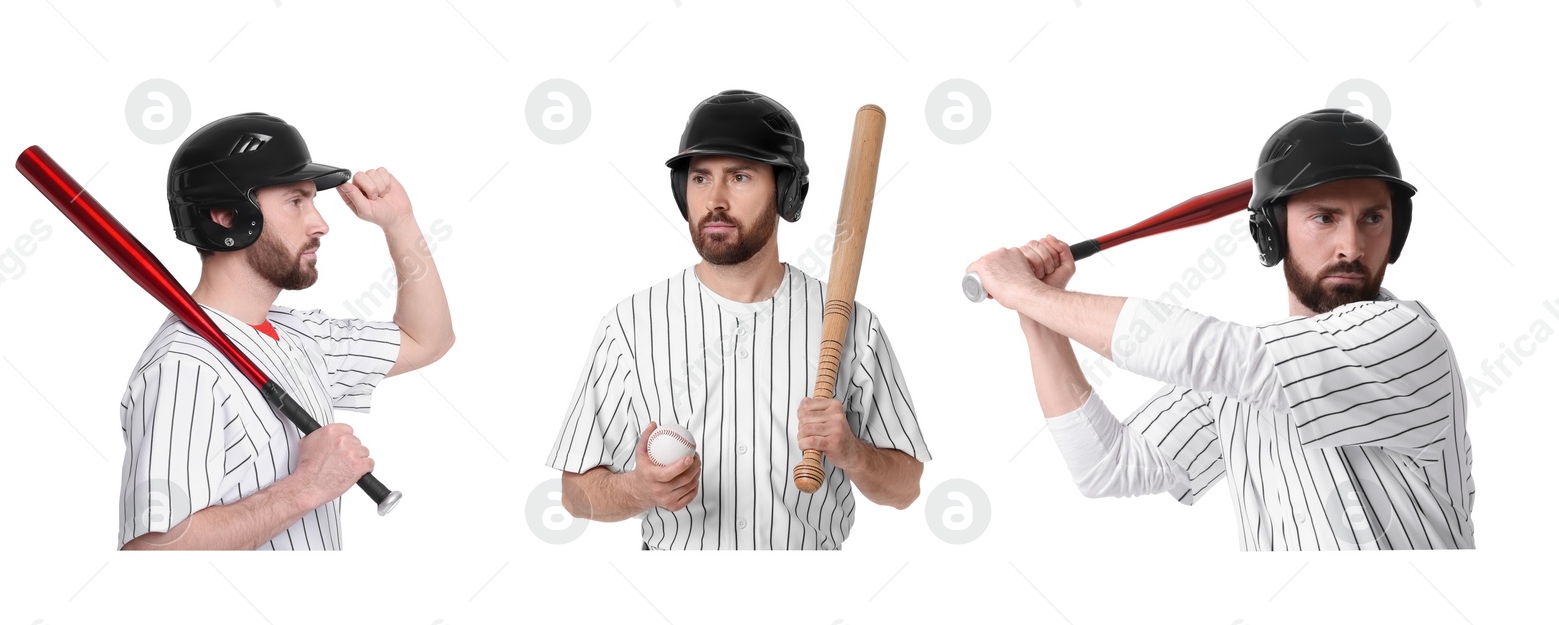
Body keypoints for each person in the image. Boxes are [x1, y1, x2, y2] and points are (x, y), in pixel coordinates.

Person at [967, 109, 1473, 550]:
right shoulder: (1241, 379)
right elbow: (1107, 467)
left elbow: (1215, 355)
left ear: (1397, 230)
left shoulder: (1408, 338)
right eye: (1324, 217)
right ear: (1270, 232)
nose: (1352, 246)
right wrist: (1038, 316)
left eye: (1373, 219)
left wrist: (1028, 292)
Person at [547, 90, 930, 549]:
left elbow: (906, 487)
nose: (715, 200)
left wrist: (853, 453)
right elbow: (574, 495)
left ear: (786, 191)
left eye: (741, 177)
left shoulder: (852, 324)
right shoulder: (630, 325)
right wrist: (639, 489)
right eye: (701, 178)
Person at [118, 113, 454, 550]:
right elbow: (153, 554)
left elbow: (427, 339)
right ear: (226, 215)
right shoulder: (184, 368)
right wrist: (308, 487)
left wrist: (400, 223)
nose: (320, 224)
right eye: (296, 202)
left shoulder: (299, 335)